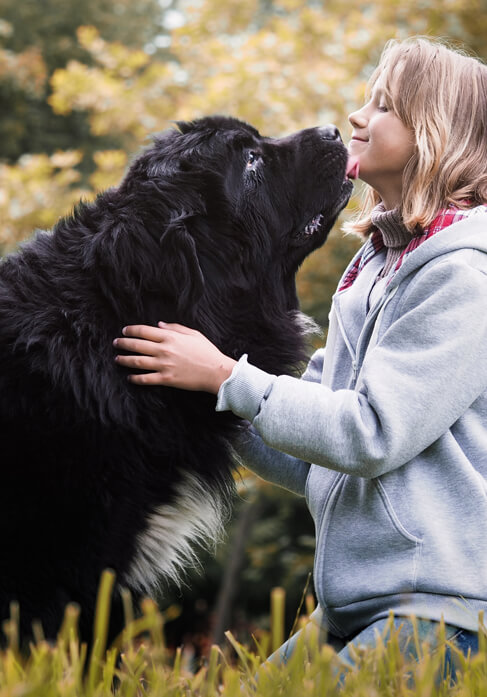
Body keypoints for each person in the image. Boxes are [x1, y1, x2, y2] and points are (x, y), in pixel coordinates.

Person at [113, 37, 487, 673]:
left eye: (386, 106)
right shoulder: (374, 268)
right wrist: (197, 397)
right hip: (350, 608)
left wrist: (229, 377)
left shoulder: (464, 279)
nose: (358, 118)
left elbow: (369, 434)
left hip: (437, 615)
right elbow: (314, 457)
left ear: (434, 133)